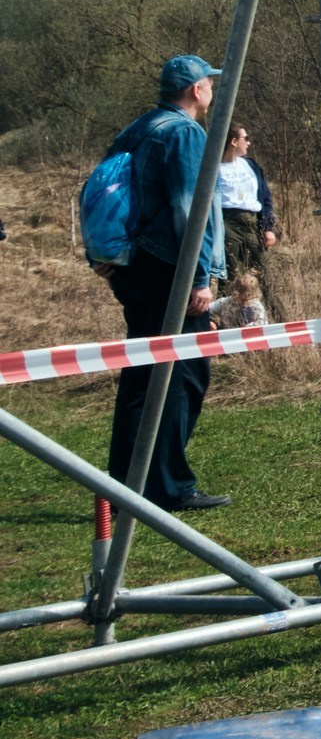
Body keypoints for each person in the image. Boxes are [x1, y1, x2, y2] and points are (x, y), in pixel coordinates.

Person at [96, 54, 232, 512]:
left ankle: (125, 485)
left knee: (141, 372)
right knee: (185, 373)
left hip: (133, 266)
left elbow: (100, 196)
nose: (212, 91)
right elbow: (188, 210)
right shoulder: (185, 133)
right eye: (208, 84)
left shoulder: (135, 129)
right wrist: (199, 278)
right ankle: (170, 486)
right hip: (168, 269)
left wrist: (105, 258)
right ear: (197, 90)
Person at [215, 122, 280, 312]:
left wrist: (268, 227)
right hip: (227, 223)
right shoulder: (214, 168)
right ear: (234, 141)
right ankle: (225, 321)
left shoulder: (250, 165)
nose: (249, 143)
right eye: (246, 138)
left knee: (263, 273)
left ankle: (279, 316)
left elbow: (265, 197)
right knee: (230, 275)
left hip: (252, 222)